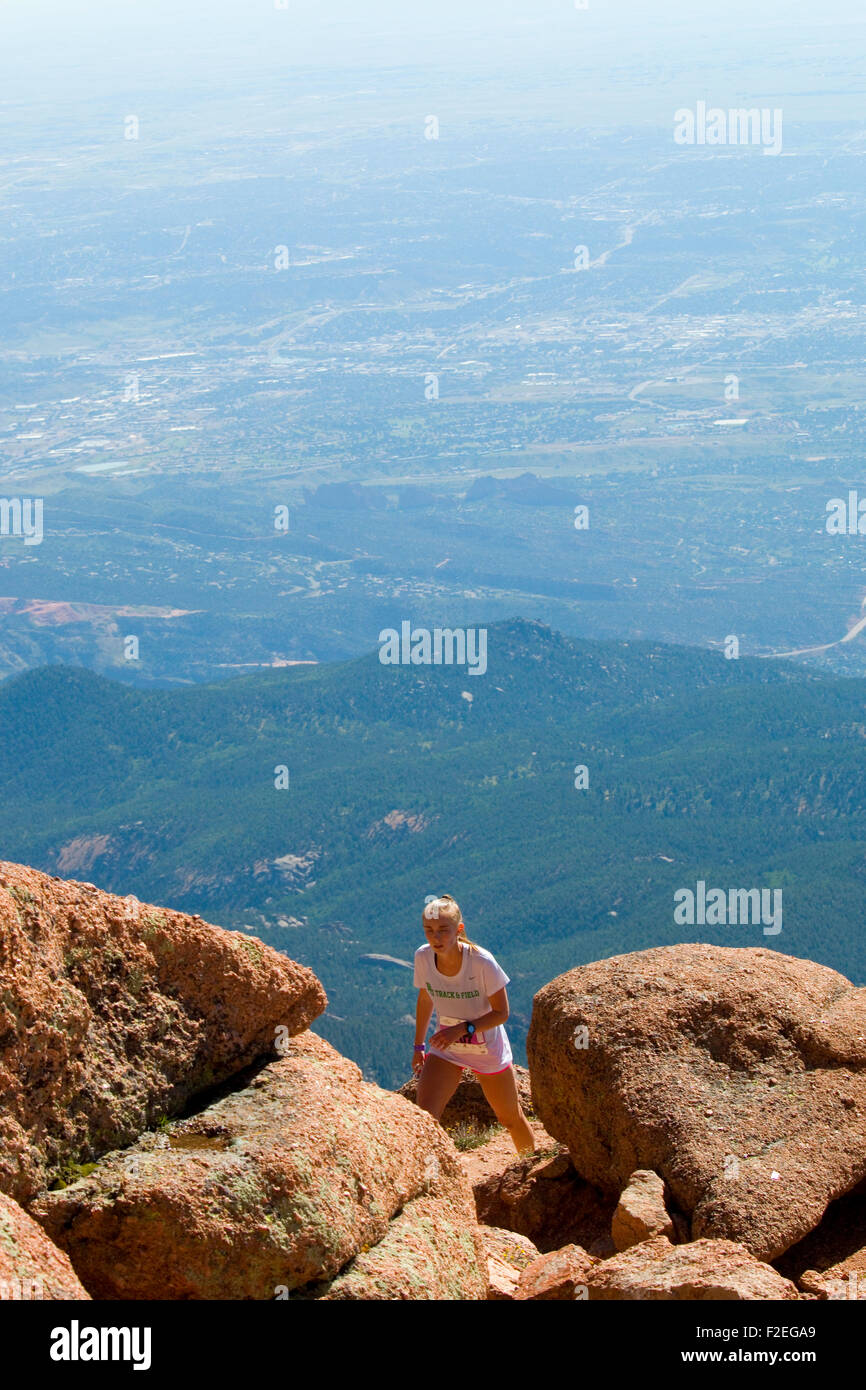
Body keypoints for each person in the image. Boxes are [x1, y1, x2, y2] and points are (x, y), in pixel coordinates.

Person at [412, 894, 535, 1155]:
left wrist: (463, 1029)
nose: (435, 937)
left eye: (443, 930)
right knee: (425, 1119)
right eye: (429, 931)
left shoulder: (481, 962)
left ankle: (531, 1166)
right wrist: (418, 1045)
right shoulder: (423, 958)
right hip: (446, 1048)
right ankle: (430, 1181)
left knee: (510, 1119)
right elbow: (425, 999)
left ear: (459, 929)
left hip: (486, 1049)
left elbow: (501, 1014)